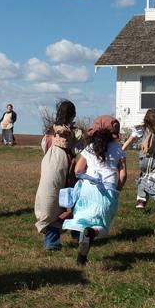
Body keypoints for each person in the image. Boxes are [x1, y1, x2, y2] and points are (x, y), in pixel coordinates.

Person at [63, 115, 127, 265]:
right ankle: (92, 233)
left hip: (87, 189)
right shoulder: (118, 150)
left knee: (84, 217)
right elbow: (123, 175)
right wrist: (117, 189)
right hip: (107, 189)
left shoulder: (90, 148)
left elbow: (78, 169)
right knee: (102, 224)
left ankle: (82, 255)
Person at [34, 100, 79, 251]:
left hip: (48, 163)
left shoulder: (49, 131)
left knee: (51, 200)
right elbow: (82, 147)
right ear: (72, 115)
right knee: (70, 199)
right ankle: (77, 235)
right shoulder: (74, 132)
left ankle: (57, 239)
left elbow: (44, 145)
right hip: (64, 165)